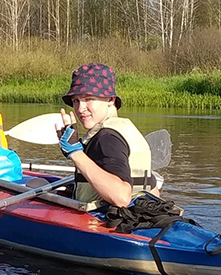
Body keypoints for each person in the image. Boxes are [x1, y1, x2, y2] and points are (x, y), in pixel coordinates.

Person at [57, 62, 156, 207]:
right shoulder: (126, 129)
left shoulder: (106, 138)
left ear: (110, 99)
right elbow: (153, 192)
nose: (80, 108)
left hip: (106, 223)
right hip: (140, 218)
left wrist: (74, 153)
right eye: (75, 101)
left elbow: (121, 198)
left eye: (88, 99)